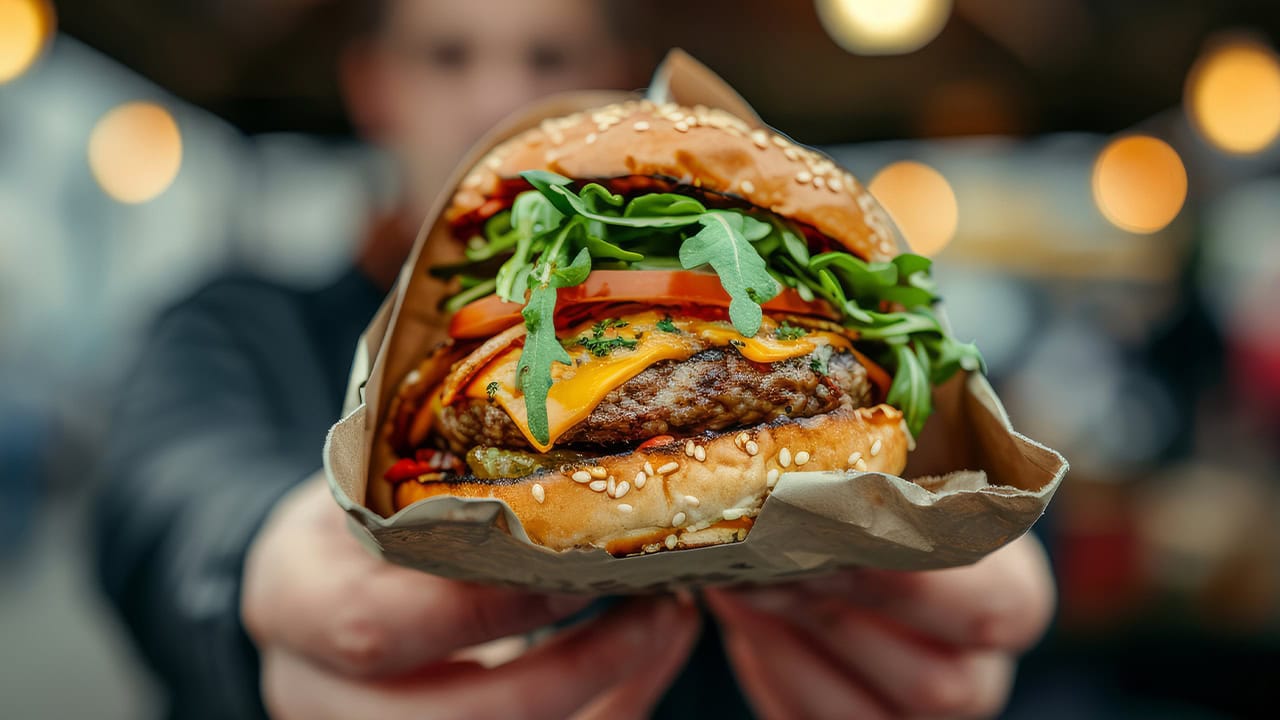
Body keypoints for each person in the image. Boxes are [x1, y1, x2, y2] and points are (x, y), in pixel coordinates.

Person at [94, 1, 1055, 718]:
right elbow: (164, 496)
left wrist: (972, 604)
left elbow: (985, 548)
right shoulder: (240, 325)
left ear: (619, 69)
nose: (497, 95)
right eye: (447, 53)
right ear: (372, 85)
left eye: (549, 55)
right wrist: (252, 565)